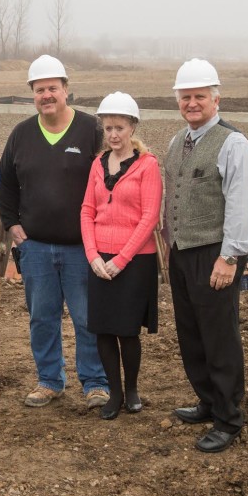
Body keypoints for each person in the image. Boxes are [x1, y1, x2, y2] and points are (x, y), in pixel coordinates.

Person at [0, 55, 110, 410]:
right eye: (39, 89)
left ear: (66, 90)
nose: (47, 95)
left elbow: (111, 179)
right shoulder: (21, 135)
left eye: (52, 88)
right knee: (41, 318)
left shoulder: (91, 130)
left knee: (87, 318)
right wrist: (14, 224)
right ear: (33, 94)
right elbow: (6, 185)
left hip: (82, 248)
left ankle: (95, 382)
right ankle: (49, 380)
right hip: (36, 249)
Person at [164, 58, 248, 453]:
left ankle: (228, 417)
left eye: (200, 96)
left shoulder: (233, 143)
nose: (192, 103)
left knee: (219, 336)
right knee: (191, 333)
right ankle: (206, 399)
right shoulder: (176, 142)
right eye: (186, 97)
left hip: (215, 254)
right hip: (183, 252)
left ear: (216, 99)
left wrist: (230, 257)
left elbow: (240, 204)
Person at [80, 92, 162, 420]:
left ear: (132, 127)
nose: (113, 134)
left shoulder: (147, 166)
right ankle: (113, 392)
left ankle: (132, 389)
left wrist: (121, 259)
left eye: (120, 128)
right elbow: (87, 210)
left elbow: (149, 217)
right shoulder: (97, 166)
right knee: (103, 329)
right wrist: (93, 255)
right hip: (100, 259)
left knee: (127, 331)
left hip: (134, 261)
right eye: (108, 128)